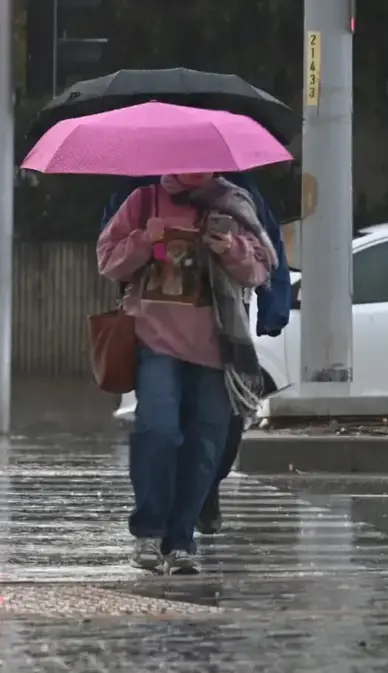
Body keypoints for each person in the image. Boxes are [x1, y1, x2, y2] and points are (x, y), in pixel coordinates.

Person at [98, 173, 277, 574]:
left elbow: (260, 270)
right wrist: (145, 238)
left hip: (216, 349)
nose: (193, 169)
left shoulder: (234, 203)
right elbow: (108, 261)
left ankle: (181, 541)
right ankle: (148, 531)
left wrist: (230, 249)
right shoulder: (144, 201)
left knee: (204, 448)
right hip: (155, 342)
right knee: (157, 430)